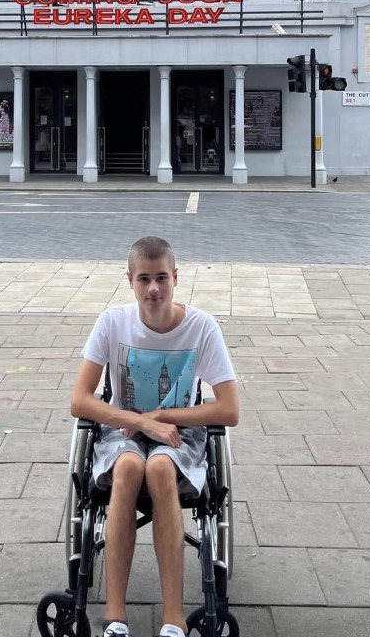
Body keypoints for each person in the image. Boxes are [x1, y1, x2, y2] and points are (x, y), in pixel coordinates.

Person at [70, 236, 239, 637]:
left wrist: (162, 415)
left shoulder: (201, 327)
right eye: (144, 278)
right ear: (129, 281)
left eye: (161, 277)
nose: (153, 289)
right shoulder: (112, 323)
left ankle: (174, 618)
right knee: (129, 466)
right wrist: (144, 423)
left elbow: (229, 409)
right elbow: (79, 400)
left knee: (160, 467)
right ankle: (115, 617)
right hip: (123, 431)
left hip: (181, 437)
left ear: (176, 278)